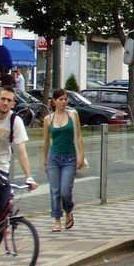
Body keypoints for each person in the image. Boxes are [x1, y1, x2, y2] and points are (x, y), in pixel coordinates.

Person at [0, 86, 37, 227]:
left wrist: (29, 177)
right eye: (3, 99)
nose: (5, 103)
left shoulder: (15, 121)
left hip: (0, 168)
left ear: (13, 104)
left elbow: (22, 152)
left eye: (9, 100)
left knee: (3, 214)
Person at [41, 88, 84, 232]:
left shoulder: (73, 115)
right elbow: (46, 141)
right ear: (54, 101)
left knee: (65, 191)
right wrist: (44, 161)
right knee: (55, 191)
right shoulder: (48, 119)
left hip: (69, 157)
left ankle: (68, 211)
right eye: (61, 99)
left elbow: (79, 136)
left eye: (66, 99)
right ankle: (57, 221)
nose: (64, 102)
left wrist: (81, 155)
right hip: (53, 158)